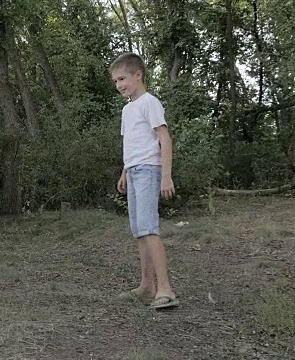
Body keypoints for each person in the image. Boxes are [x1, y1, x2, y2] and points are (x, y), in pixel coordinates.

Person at [110, 53, 179, 309]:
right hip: (135, 170)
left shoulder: (149, 102)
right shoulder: (127, 109)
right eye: (116, 81)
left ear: (138, 75)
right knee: (139, 231)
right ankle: (146, 285)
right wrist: (125, 171)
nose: (119, 85)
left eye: (122, 78)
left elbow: (164, 138)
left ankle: (166, 289)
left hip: (150, 170)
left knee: (150, 229)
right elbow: (132, 143)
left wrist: (166, 175)